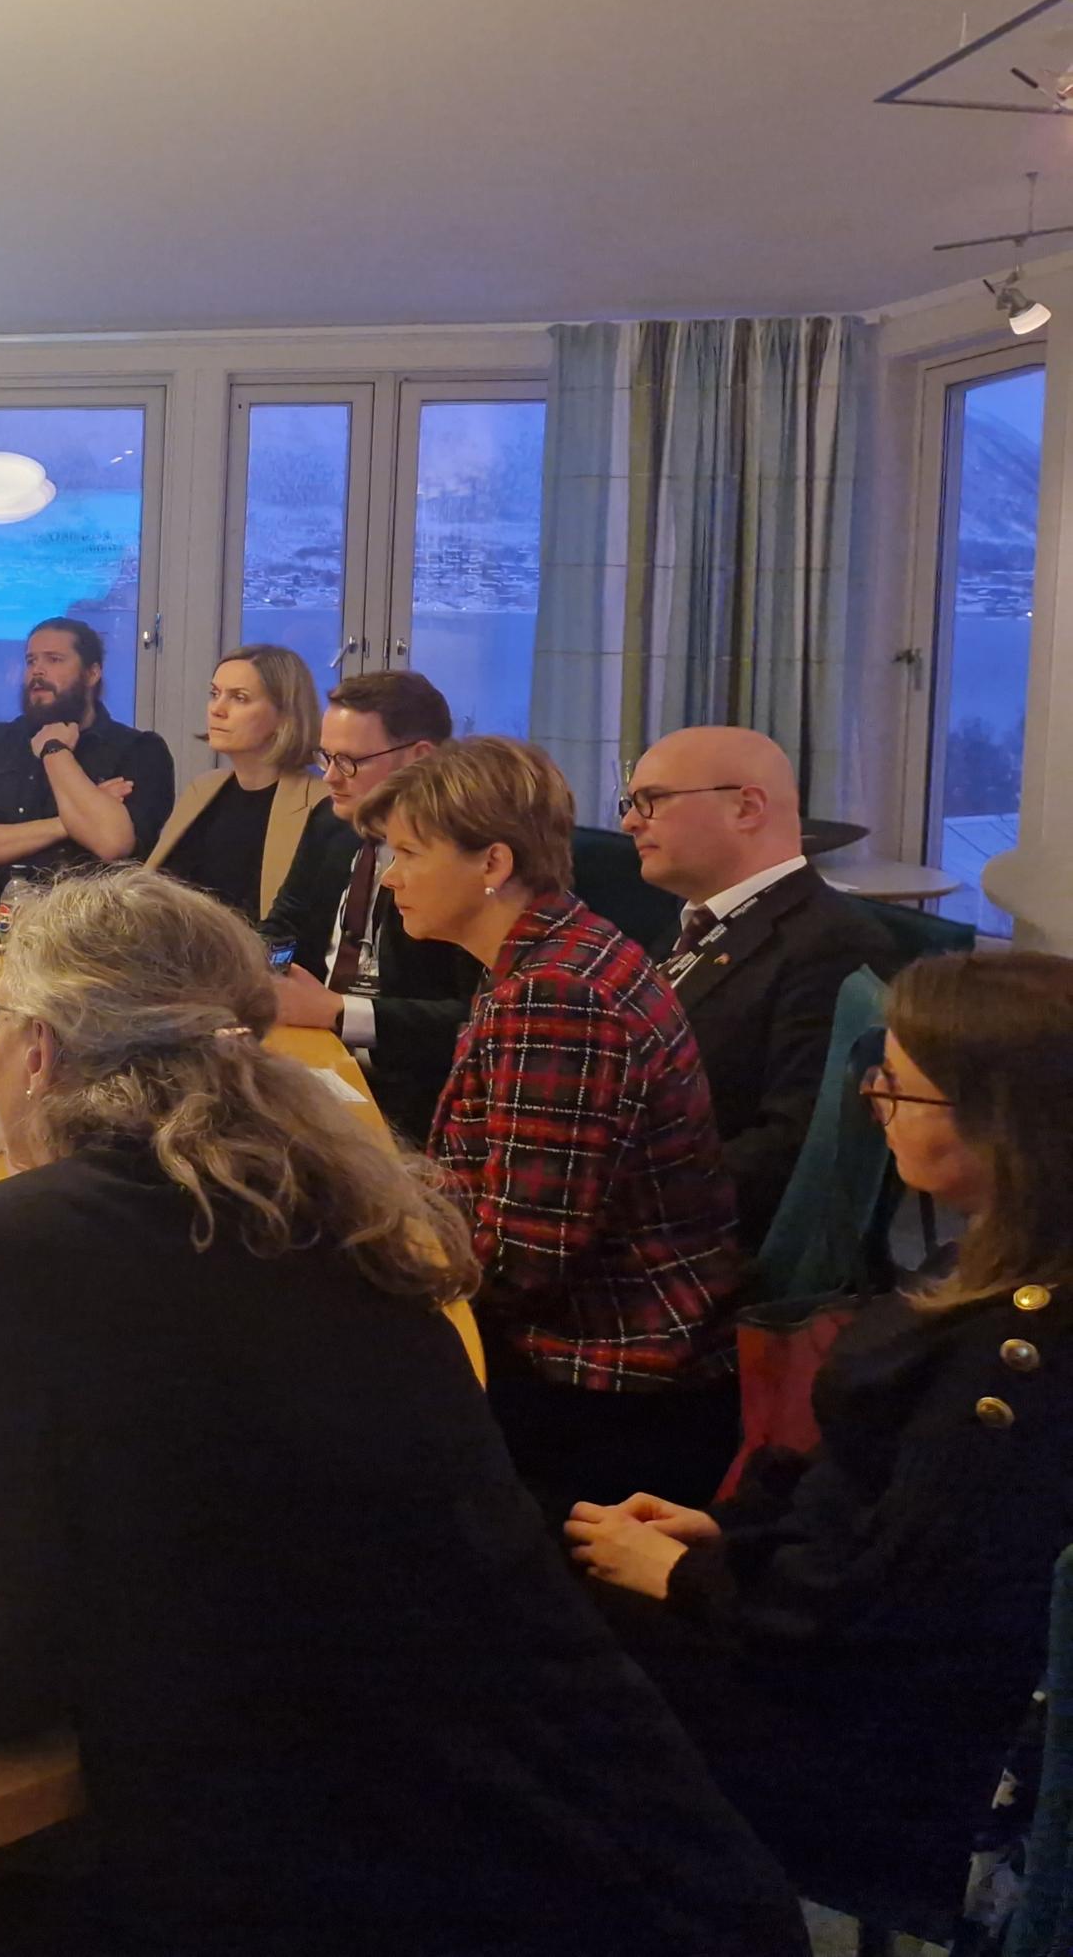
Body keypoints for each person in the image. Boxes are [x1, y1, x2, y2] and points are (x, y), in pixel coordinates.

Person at [0, 867, 800, 1957]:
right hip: (607, 1836)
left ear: (42, 1049)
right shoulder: (346, 1199)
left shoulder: (25, 1242)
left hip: (355, 1881)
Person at [563, 952, 1073, 1924]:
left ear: (1002, 1124)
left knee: (547, 1675)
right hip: (822, 1637)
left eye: (899, 1082)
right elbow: (864, 1501)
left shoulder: (1012, 1365)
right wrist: (724, 1535)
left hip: (868, 1751)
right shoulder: (997, 1259)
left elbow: (874, 1621)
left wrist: (680, 1578)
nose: (875, 1097)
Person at [361, 737, 746, 1511]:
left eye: (405, 852)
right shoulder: (561, 948)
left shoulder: (556, 995)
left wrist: (362, 1250)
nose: (389, 877)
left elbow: (520, 1266)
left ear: (491, 864)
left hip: (605, 1385)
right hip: (603, 1356)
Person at [618, 724, 892, 1244]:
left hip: (698, 1242)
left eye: (653, 800)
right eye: (631, 804)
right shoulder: (702, 920)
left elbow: (797, 1149)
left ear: (746, 808)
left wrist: (611, 1199)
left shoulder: (830, 943)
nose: (631, 822)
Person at [265, 669, 488, 1144]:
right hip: (315, 1054)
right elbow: (284, 922)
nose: (329, 777)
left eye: (349, 761)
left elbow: (478, 1018)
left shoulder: (467, 854)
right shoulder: (332, 819)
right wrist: (264, 976)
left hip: (413, 1091)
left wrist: (339, 1011)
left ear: (420, 758)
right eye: (326, 757)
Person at [0, 617, 175, 899]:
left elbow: (112, 844)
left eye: (54, 660)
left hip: (91, 928)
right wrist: (70, 823)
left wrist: (55, 750)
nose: (37, 672)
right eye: (31, 661)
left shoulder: (139, 751)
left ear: (92, 673)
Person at [141, 644, 327, 922]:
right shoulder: (202, 789)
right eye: (214, 694)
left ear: (285, 714)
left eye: (240, 698)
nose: (217, 709)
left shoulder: (320, 803)